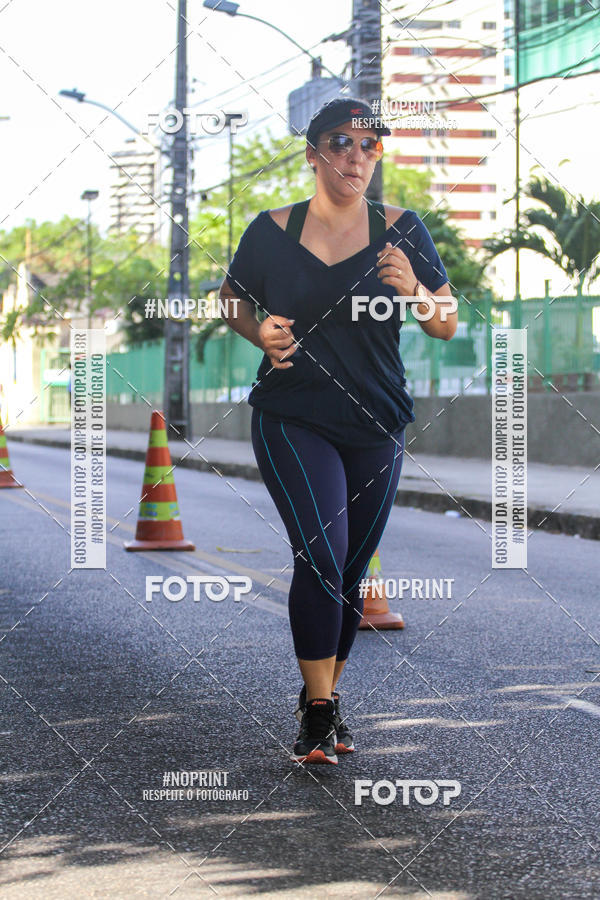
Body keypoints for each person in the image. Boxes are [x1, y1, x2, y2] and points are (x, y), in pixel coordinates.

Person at [219, 96, 457, 765]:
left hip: (378, 422)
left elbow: (445, 321)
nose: (356, 156)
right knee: (321, 556)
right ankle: (319, 714)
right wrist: (256, 329)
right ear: (314, 153)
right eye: (341, 142)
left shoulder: (403, 228)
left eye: (369, 146)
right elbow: (231, 297)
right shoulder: (271, 230)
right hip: (293, 415)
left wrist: (414, 286)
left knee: (349, 571)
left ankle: (322, 695)